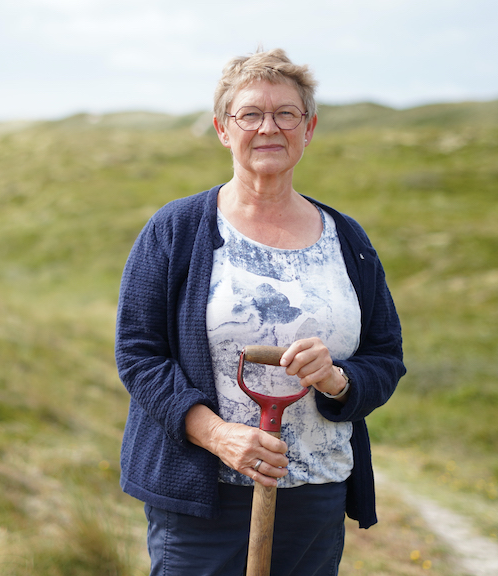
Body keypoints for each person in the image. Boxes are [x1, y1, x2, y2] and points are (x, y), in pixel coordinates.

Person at [114, 48, 406, 576]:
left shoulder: (348, 240)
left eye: (285, 114)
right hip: (204, 502)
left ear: (308, 128)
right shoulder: (175, 229)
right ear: (223, 129)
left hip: (316, 495)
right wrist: (218, 435)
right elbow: (139, 354)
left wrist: (338, 380)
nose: (268, 128)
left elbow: (385, 356)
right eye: (250, 114)